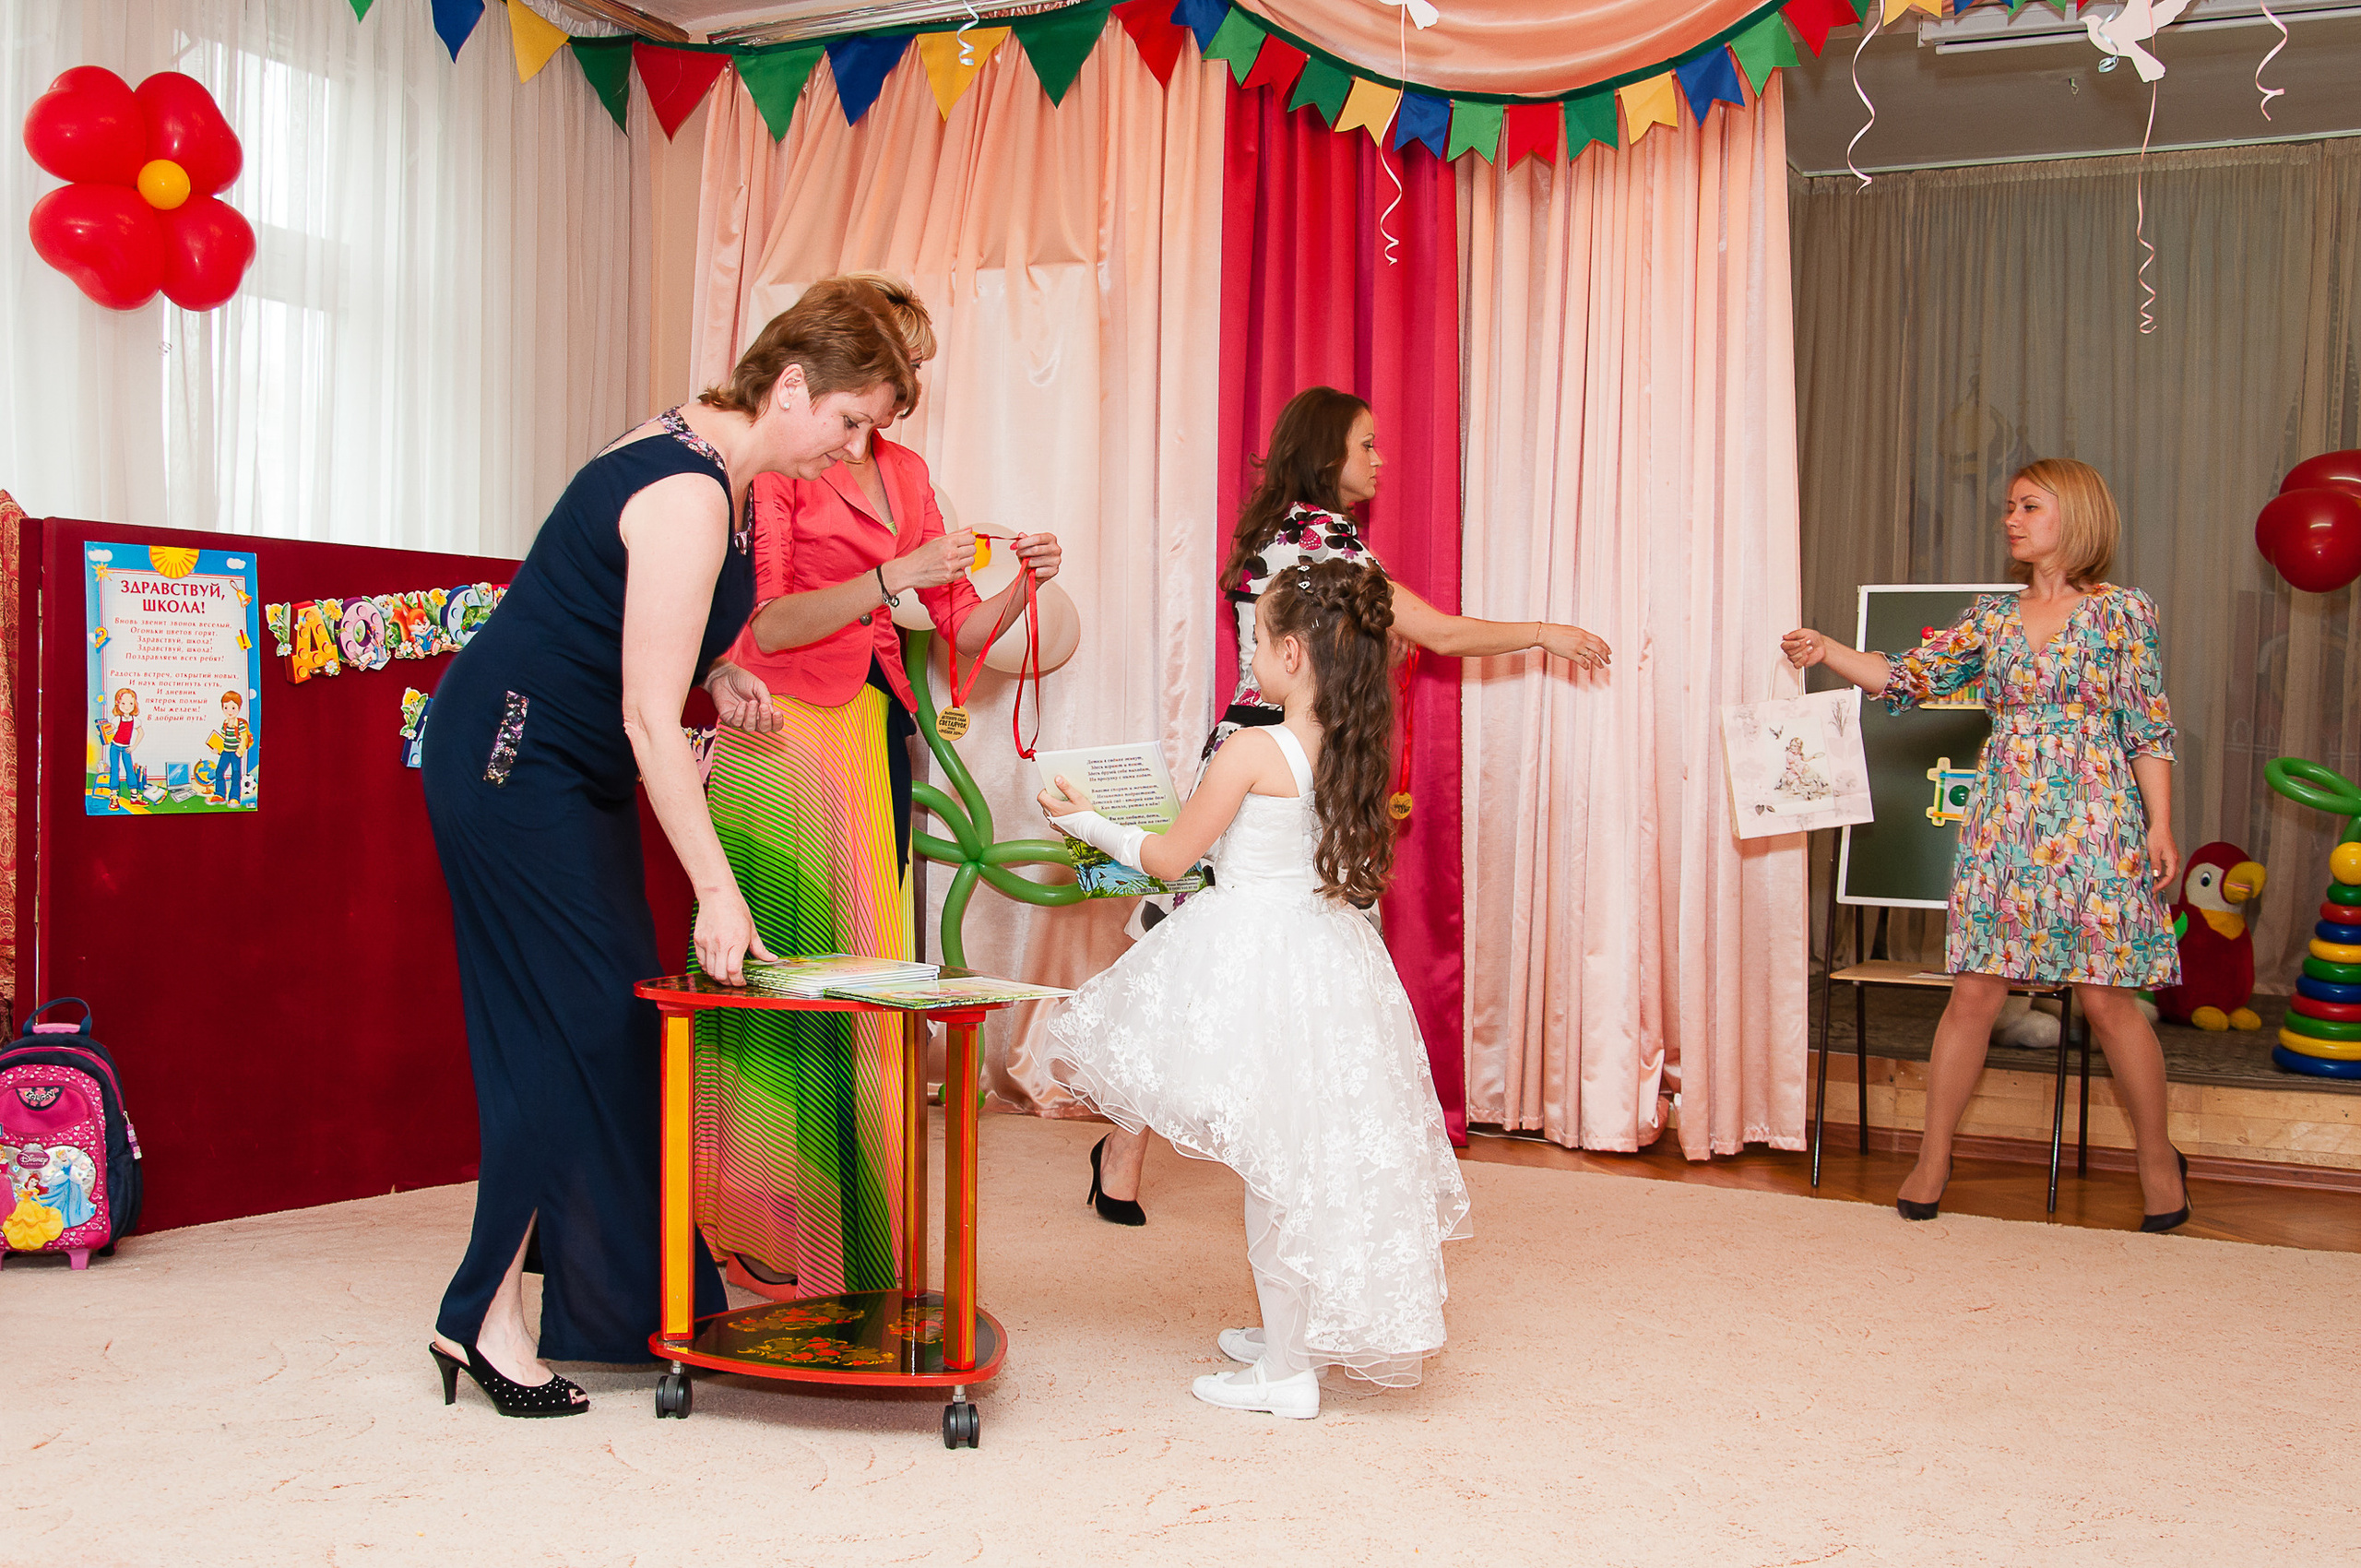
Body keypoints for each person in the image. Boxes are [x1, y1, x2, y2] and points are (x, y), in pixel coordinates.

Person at [421, 290, 916, 1418]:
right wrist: (718, 890)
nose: (853, 447)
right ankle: (480, 1317)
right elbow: (649, 719)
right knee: (571, 1022)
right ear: (789, 383)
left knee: (599, 1020)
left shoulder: (713, 456)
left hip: (556, 757)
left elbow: (633, 628)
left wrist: (719, 671)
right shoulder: (693, 489)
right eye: (847, 419)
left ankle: (607, 1300)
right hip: (513, 760)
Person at [1091, 384, 1612, 1224]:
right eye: (1367, 444)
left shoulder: (1274, 535)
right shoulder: (1323, 545)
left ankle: (1125, 1155)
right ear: (1328, 453)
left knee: (1193, 967)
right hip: (1288, 767)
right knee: (1281, 973)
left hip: (1255, 754)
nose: (1380, 460)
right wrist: (1545, 633)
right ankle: (1230, 1155)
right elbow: (1437, 631)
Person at [693, 275, 1062, 1301]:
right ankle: (760, 1217)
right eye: (889, 371)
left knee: (861, 978)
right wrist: (892, 579)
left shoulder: (907, 472)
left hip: (865, 727)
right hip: (775, 733)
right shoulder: (781, 464)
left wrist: (1025, 580)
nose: (900, 394)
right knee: (783, 979)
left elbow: (960, 638)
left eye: (907, 378)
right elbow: (766, 624)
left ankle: (854, 1227)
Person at [1042, 559, 1471, 1418]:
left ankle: (1285, 1375)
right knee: (1303, 1155)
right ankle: (1292, 1335)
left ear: (1291, 653)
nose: (1251, 664)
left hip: (1257, 959)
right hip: (1330, 958)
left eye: (1254, 646)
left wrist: (1081, 817)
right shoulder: (1352, 744)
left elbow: (1170, 858)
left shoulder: (1253, 745)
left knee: (1278, 1167)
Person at [1782, 457, 2190, 1231]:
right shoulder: (1991, 618)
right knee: (1974, 992)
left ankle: (2157, 1159)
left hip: (2097, 822)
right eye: (2009, 507)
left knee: (2107, 999)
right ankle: (1934, 1158)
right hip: (2005, 824)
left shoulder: (2123, 613)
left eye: (2029, 506)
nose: (2011, 518)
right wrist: (1828, 647)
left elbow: (2148, 727)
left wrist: (2160, 824)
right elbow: (1902, 677)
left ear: (2074, 516)